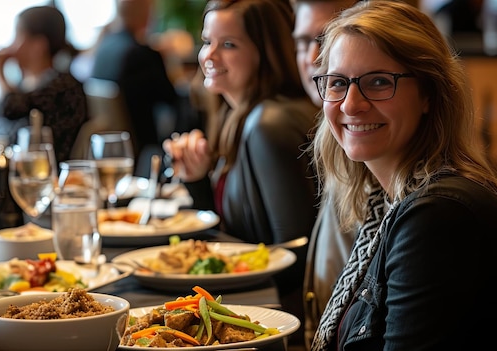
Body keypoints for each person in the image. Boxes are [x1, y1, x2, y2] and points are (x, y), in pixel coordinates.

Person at [308, 1, 497, 350]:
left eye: (378, 82)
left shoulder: (436, 218)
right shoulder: (386, 204)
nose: (350, 104)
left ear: (428, 93)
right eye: (337, 83)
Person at [162, 0, 318, 345]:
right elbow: (240, 232)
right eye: (207, 42)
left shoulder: (268, 124)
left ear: (266, 51)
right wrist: (198, 178)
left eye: (228, 44)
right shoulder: (242, 115)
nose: (210, 56)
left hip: (282, 326)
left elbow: (292, 253)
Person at [291, 0, 361, 348]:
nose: (314, 55)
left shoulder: (369, 150)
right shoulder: (339, 150)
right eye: (303, 42)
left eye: (327, 37)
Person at [91, 0, 179, 177]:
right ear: (147, 14)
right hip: (143, 145)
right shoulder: (141, 54)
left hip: (112, 142)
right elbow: (170, 97)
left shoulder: (104, 47)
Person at [0, 6, 87, 163]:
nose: (11, 46)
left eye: (17, 36)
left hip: (46, 173)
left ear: (38, 45)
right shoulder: (31, 83)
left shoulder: (61, 87)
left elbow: (10, 109)